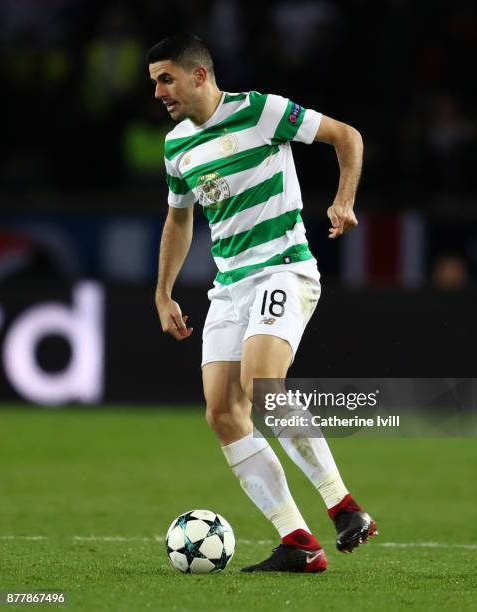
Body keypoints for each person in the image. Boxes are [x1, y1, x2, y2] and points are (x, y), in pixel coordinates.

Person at [148, 33, 377, 573]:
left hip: (284, 269)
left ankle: (344, 506)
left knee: (264, 389)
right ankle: (298, 541)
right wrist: (162, 292)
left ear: (199, 75)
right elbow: (179, 219)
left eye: (166, 79)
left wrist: (343, 199)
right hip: (229, 287)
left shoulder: (261, 110)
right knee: (223, 413)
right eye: (155, 81)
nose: (158, 91)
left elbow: (347, 136)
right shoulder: (176, 145)